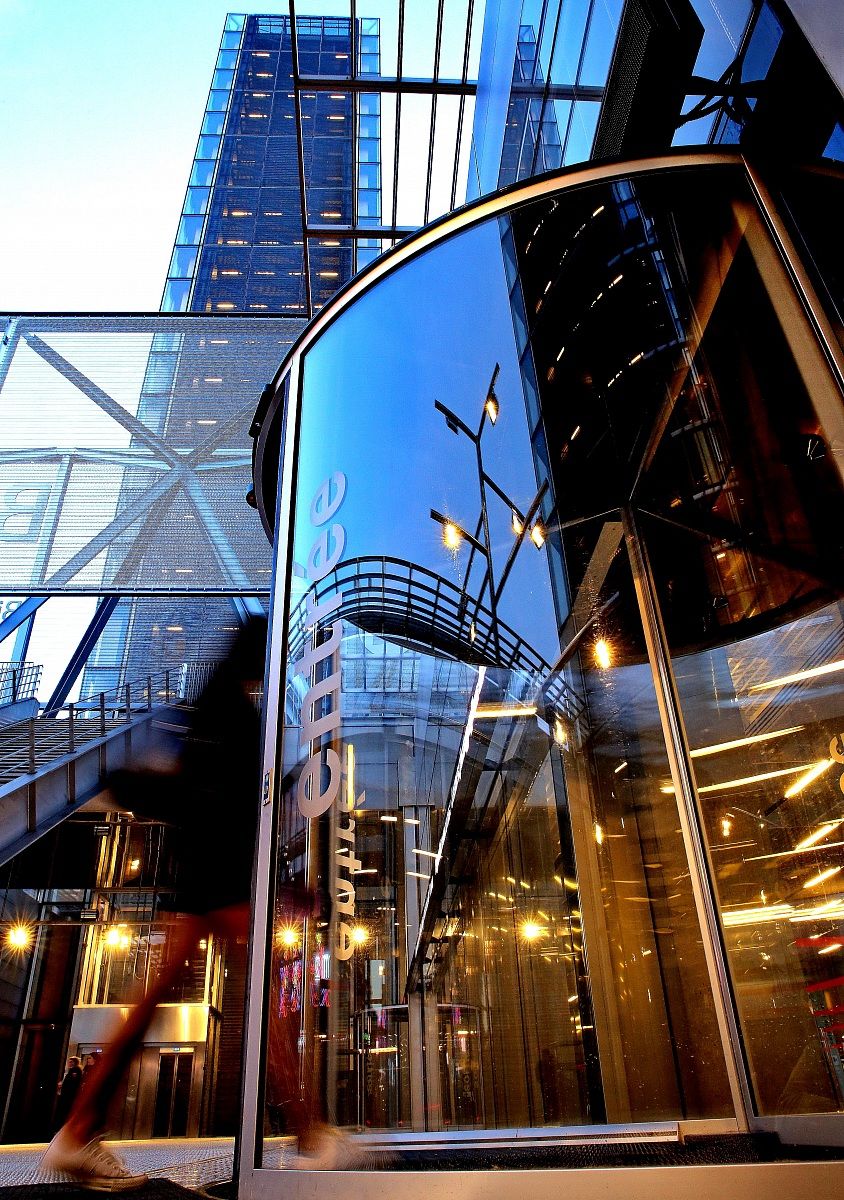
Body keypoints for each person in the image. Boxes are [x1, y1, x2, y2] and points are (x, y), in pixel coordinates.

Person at [42, 618, 330, 1189]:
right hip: (221, 883)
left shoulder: (213, 707)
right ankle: (310, 1135)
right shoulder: (235, 717)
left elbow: (201, 796)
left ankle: (78, 1129)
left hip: (204, 881)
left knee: (166, 1003)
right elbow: (234, 811)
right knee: (267, 1004)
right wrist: (279, 888)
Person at [54, 1057, 83, 1131]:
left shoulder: (75, 1070)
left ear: (75, 1063)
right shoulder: (71, 1070)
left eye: (71, 1062)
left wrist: (63, 1086)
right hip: (67, 1094)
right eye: (69, 1062)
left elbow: (73, 1083)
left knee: (65, 1110)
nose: (69, 1063)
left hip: (69, 1095)